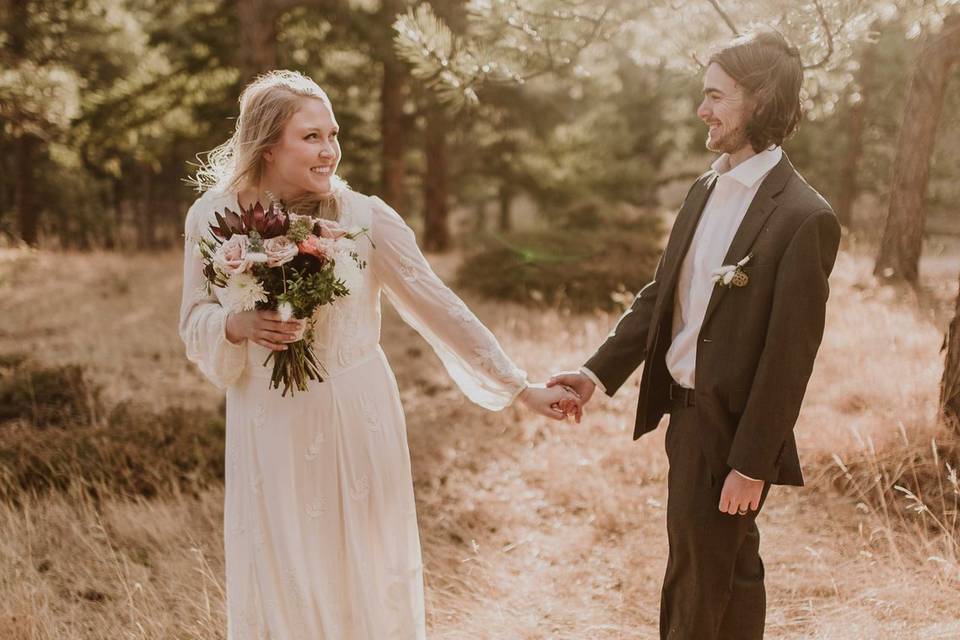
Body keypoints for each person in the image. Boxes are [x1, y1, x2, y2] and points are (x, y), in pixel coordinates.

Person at [179, 69, 581, 639]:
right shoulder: (211, 219)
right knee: (283, 562)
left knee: (363, 568)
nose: (330, 150)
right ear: (268, 146)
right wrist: (237, 324)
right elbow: (194, 317)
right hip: (267, 418)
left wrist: (518, 386)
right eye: (311, 137)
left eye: (333, 134)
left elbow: (437, 306)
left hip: (355, 413)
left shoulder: (365, 218)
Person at [549, 30, 842, 640]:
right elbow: (662, 297)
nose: (701, 110)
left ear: (759, 101)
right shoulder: (704, 189)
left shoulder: (802, 217)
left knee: (695, 583)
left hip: (727, 431)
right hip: (684, 423)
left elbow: (790, 360)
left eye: (715, 96)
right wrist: (596, 373)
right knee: (729, 577)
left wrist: (751, 463)